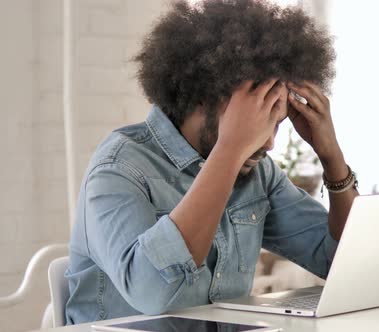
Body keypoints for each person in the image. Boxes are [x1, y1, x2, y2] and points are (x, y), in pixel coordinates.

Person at [65, 0, 358, 325]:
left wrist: (332, 158)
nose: (269, 143)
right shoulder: (120, 168)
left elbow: (343, 263)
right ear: (205, 94)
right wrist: (230, 149)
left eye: (276, 124)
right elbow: (154, 293)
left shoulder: (257, 175)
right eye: (257, 121)